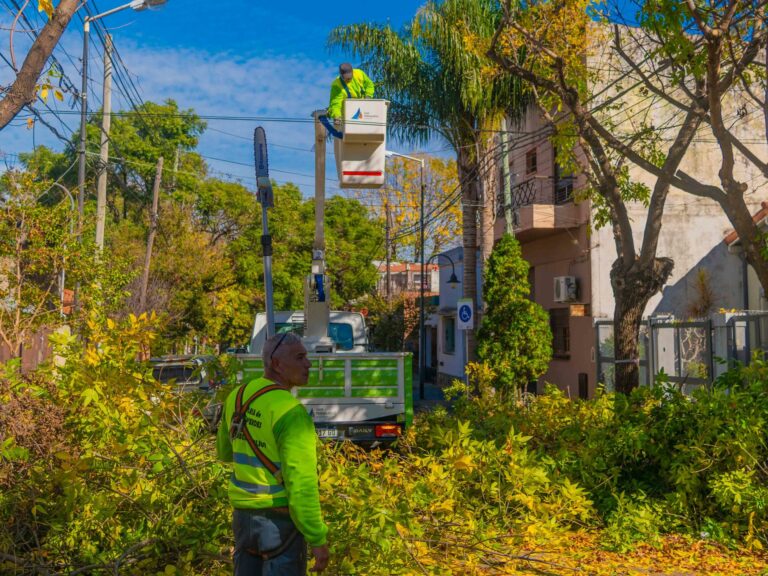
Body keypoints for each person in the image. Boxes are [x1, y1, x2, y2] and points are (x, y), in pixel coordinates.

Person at [217, 332, 330, 575]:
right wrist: (317, 538)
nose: (308, 363)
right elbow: (301, 484)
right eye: (300, 357)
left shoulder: (236, 397)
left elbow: (225, 452)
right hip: (278, 524)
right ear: (277, 364)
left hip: (243, 520)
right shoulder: (290, 412)